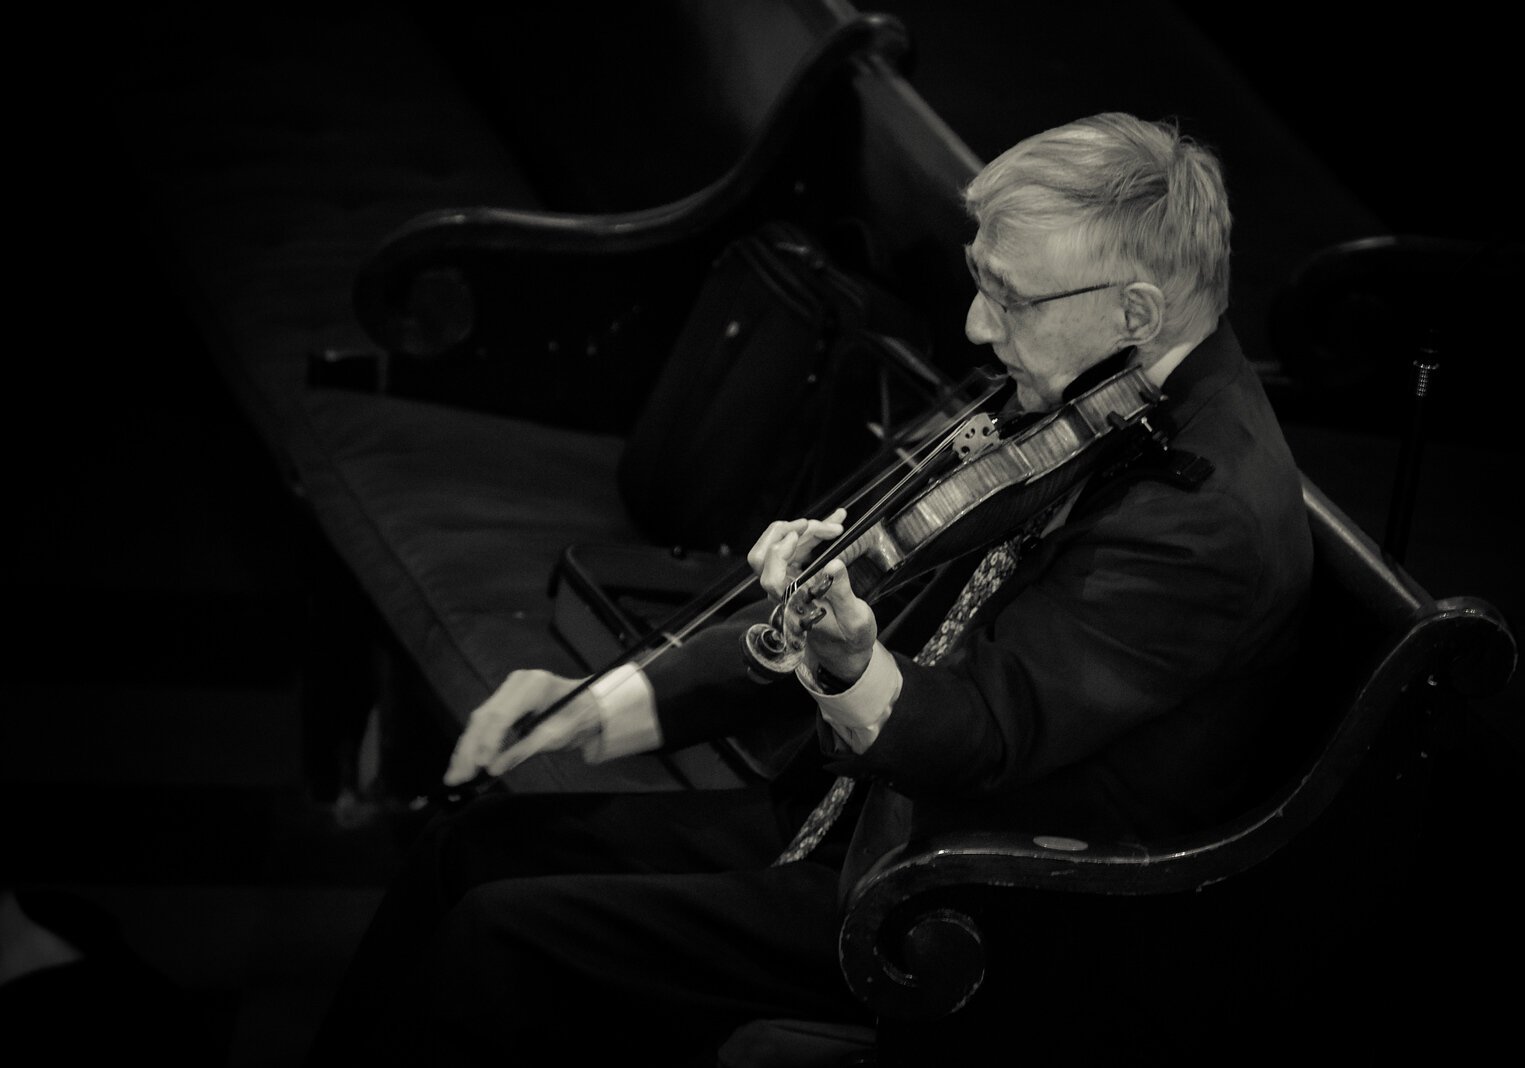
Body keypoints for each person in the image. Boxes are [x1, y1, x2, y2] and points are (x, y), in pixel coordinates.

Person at [306, 111, 1313, 1066]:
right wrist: (586, 711)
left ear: (1136, 311)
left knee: (504, 936)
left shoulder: (1200, 515)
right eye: (978, 279)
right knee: (468, 850)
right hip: (852, 815)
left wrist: (849, 661)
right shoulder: (1090, 386)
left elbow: (985, 735)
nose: (972, 325)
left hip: (954, 903)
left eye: (1009, 297)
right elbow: (864, 592)